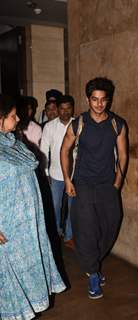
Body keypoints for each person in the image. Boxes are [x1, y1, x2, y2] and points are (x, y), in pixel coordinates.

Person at [60, 77, 128, 299]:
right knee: (86, 229)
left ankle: (95, 265)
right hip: (84, 184)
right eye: (94, 100)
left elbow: (124, 155)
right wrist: (68, 180)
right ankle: (92, 274)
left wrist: (117, 182)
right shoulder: (78, 123)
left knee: (111, 224)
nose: (99, 104)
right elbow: (64, 150)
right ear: (88, 100)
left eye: (103, 100)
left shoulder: (117, 124)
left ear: (108, 100)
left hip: (107, 185)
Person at [0, 94, 65, 320]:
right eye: (11, 116)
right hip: (7, 230)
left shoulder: (13, 142)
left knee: (28, 276)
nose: (18, 118)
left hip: (27, 226)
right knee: (10, 280)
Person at [40, 95, 75, 245]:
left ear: (72, 109)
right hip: (55, 174)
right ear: (58, 110)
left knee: (73, 208)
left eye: (68, 108)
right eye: (62, 108)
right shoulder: (49, 126)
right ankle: (55, 234)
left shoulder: (79, 124)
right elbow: (43, 151)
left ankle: (68, 235)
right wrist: (46, 173)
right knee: (55, 205)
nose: (65, 111)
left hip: (75, 175)